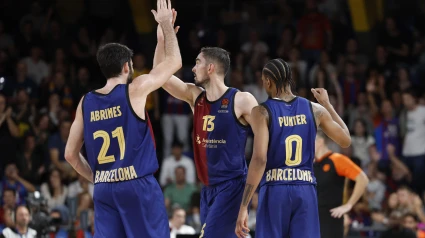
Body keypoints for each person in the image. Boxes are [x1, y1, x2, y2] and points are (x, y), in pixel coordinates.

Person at [64, 0, 182, 237]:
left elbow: (70, 155)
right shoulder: (134, 89)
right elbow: (174, 63)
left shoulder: (86, 101)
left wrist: (99, 178)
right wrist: (166, 27)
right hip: (136, 184)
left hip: (105, 188)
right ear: (127, 67)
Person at [153, 13, 258, 238]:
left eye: (198, 63)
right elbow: (159, 77)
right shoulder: (195, 97)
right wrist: (162, 40)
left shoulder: (242, 100)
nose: (193, 68)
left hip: (232, 187)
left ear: (210, 68)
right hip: (207, 189)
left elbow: (267, 139)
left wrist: (251, 197)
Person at [235, 58, 352, 238]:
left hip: (275, 188)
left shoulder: (262, 111)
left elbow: (259, 160)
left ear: (268, 81)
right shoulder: (314, 109)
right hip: (305, 189)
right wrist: (327, 104)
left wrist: (244, 206)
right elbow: (345, 140)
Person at [314, 130, 369, 238]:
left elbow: (363, 179)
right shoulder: (311, 163)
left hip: (331, 219)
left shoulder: (337, 159)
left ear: (320, 142)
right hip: (313, 217)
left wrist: (349, 205)